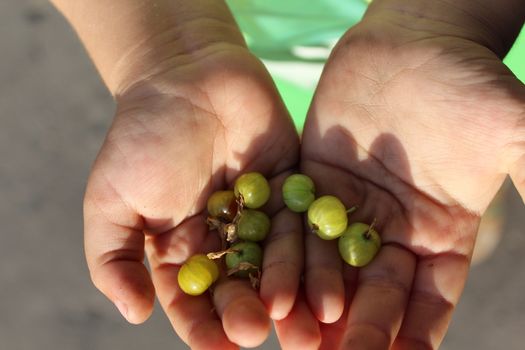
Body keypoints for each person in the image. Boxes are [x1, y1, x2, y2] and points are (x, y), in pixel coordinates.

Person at [50, 0, 525, 349]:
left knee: (442, 189)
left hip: (429, 107)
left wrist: (452, 20)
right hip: (239, 90)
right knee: (427, 204)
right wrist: (170, 49)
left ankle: (481, 213)